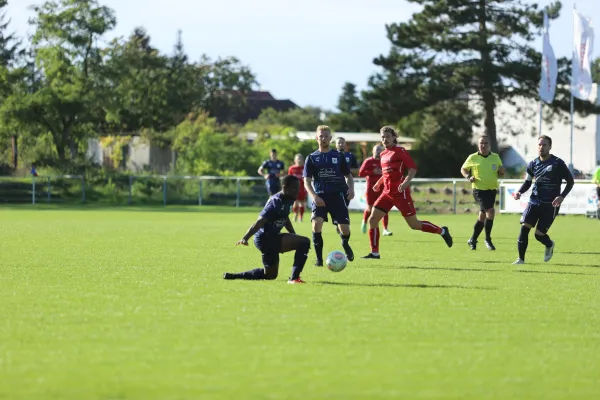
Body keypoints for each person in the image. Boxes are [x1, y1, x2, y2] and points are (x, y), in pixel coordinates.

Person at [362, 126, 453, 259]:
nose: (384, 139)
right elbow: (386, 173)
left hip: (400, 193)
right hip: (386, 194)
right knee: (373, 220)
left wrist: (405, 183)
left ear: (394, 137)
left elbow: (412, 169)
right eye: (382, 137)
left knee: (414, 225)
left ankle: (442, 231)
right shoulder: (382, 154)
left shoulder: (400, 151)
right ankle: (375, 253)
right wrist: (379, 183)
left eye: (387, 136)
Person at [224, 175, 310, 284]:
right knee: (305, 242)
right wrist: (245, 238)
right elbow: (260, 221)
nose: (297, 192)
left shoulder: (289, 199)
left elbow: (285, 217)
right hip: (266, 238)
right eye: (294, 189)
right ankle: (294, 278)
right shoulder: (275, 201)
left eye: (298, 189)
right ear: (285, 188)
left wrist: (293, 234)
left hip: (271, 238)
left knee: (270, 275)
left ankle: (234, 276)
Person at [511, 135, 574, 264]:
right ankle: (521, 259)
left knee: (538, 235)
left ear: (550, 147)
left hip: (550, 205)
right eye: (539, 144)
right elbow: (528, 182)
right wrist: (519, 192)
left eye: (544, 145)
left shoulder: (558, 163)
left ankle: (549, 244)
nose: (541, 147)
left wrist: (562, 196)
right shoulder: (533, 164)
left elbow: (570, 181)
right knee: (524, 228)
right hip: (534, 202)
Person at [303, 125, 355, 266]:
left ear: (330, 138)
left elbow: (348, 175)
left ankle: (345, 243)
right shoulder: (311, 158)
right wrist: (314, 196)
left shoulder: (338, 156)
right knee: (316, 224)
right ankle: (319, 260)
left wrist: (351, 188)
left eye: (326, 136)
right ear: (316, 138)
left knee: (345, 228)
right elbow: (306, 181)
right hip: (320, 196)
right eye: (321, 136)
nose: (324, 138)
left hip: (338, 196)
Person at [460, 135, 505, 250]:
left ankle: (472, 239)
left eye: (485, 143)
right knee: (491, 211)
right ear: (478, 145)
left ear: (489, 145)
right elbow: (463, 169)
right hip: (479, 190)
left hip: (491, 190)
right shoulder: (473, 157)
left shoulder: (495, 157)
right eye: (481, 143)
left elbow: (500, 170)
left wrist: (501, 171)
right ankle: (488, 240)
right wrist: (468, 176)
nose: (483, 145)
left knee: (482, 216)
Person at [358, 144, 392, 236]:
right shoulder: (368, 161)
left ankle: (385, 229)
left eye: (380, 150)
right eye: (376, 150)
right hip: (371, 188)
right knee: (369, 208)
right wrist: (371, 172)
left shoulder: (384, 161)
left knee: (384, 208)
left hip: (383, 188)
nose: (378, 151)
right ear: (373, 151)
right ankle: (364, 221)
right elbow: (361, 173)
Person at [287, 154, 307, 222]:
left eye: (300, 158)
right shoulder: (291, 168)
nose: (299, 160)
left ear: (303, 160)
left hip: (303, 188)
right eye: (297, 159)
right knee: (295, 203)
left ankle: (301, 218)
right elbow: (289, 178)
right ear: (295, 160)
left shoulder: (305, 168)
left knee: (302, 203)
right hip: (294, 188)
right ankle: (295, 214)